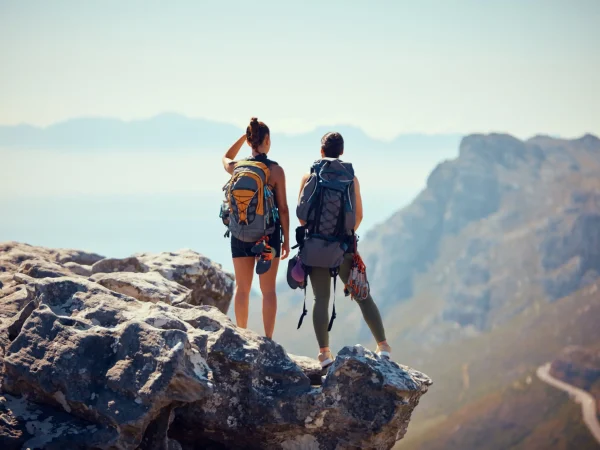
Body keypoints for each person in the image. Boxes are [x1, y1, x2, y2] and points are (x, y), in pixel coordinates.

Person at [296, 131, 391, 368]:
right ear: (342, 152)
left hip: (316, 248)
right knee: (362, 295)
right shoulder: (351, 179)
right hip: (343, 247)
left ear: (321, 151)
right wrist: (344, 237)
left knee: (321, 299)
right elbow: (358, 215)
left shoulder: (309, 176)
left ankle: (325, 355)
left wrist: (320, 235)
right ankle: (384, 347)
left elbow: (301, 217)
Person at [222, 118, 290, 339]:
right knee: (268, 291)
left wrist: (244, 137)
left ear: (250, 140)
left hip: (239, 233)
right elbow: (283, 209)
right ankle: (268, 340)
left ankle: (241, 336)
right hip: (267, 237)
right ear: (267, 140)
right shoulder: (275, 171)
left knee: (242, 289)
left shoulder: (237, 167)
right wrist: (287, 240)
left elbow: (225, 157)